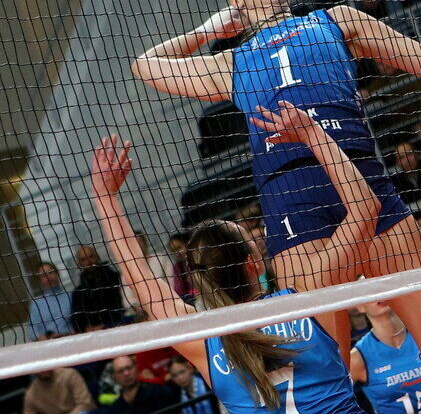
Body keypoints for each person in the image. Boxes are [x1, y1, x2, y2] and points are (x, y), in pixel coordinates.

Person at [132, 0, 421, 414]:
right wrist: (212, 29)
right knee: (327, 376)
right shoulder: (231, 62)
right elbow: (146, 65)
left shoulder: (337, 21)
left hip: (364, 184)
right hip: (294, 210)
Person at [91, 105, 379, 414]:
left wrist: (104, 199)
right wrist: (312, 133)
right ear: (252, 263)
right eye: (251, 240)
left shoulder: (205, 342)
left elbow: (139, 276)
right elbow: (366, 207)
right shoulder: (307, 297)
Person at [351, 302, 421, 414]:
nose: (379, 296)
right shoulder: (357, 357)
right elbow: (336, 400)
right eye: (370, 294)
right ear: (360, 306)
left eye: (381, 291)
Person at [70, 245, 124, 332]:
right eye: (83, 259)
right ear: (79, 264)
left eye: (91, 256)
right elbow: (76, 320)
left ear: (97, 257)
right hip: (94, 335)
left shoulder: (115, 279)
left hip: (120, 327)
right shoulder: (78, 293)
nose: (89, 261)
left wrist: (105, 326)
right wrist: (86, 329)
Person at [107, 355, 179, 414]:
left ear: (136, 368)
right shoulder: (116, 408)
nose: (126, 373)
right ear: (114, 377)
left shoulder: (159, 392)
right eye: (120, 371)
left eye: (129, 368)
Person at [22, 364, 95, 414]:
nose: (43, 369)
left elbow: (86, 404)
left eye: (44, 364)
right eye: (38, 367)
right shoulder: (31, 394)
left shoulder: (70, 375)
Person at [28, 262, 72, 340]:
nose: (49, 277)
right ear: (40, 280)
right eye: (44, 276)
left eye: (50, 273)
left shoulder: (70, 296)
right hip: (48, 342)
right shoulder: (36, 303)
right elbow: (33, 331)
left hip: (72, 339)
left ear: (57, 273)